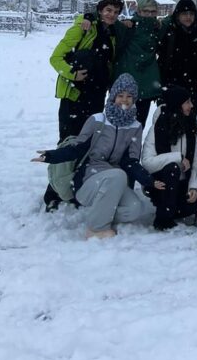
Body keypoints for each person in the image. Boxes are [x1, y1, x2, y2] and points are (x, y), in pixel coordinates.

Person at [33, 73, 163, 239]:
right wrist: (50, 156)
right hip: (89, 180)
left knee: (135, 208)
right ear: (113, 96)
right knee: (118, 174)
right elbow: (76, 149)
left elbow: (131, 161)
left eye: (129, 96)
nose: (125, 100)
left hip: (116, 181)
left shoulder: (136, 126)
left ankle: (100, 211)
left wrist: (149, 181)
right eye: (121, 95)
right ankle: (96, 228)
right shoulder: (97, 120)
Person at [43, 0, 120, 210]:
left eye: (115, 11)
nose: (111, 15)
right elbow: (56, 57)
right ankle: (52, 193)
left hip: (96, 97)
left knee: (87, 143)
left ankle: (74, 187)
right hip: (74, 96)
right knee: (68, 142)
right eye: (107, 10)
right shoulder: (83, 28)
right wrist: (71, 74)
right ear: (100, 10)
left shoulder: (111, 34)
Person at [141, 84, 197, 230]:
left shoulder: (191, 129)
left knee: (195, 208)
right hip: (163, 184)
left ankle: (175, 208)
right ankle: (164, 218)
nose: (191, 105)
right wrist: (178, 157)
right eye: (187, 102)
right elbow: (147, 162)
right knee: (172, 168)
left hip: (183, 184)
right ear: (177, 105)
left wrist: (195, 187)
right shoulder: (157, 128)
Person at [112, 0, 170, 126]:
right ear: (138, 11)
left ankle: (133, 146)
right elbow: (104, 16)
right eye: (146, 11)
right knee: (120, 124)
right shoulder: (128, 27)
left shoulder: (157, 28)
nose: (149, 14)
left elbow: (178, 15)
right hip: (127, 83)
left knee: (138, 125)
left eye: (153, 12)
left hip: (147, 84)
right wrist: (88, 17)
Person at [157, 0, 197, 116]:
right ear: (178, 15)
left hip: (193, 84)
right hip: (171, 84)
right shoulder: (169, 32)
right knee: (169, 119)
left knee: (190, 118)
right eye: (184, 14)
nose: (188, 17)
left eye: (191, 13)